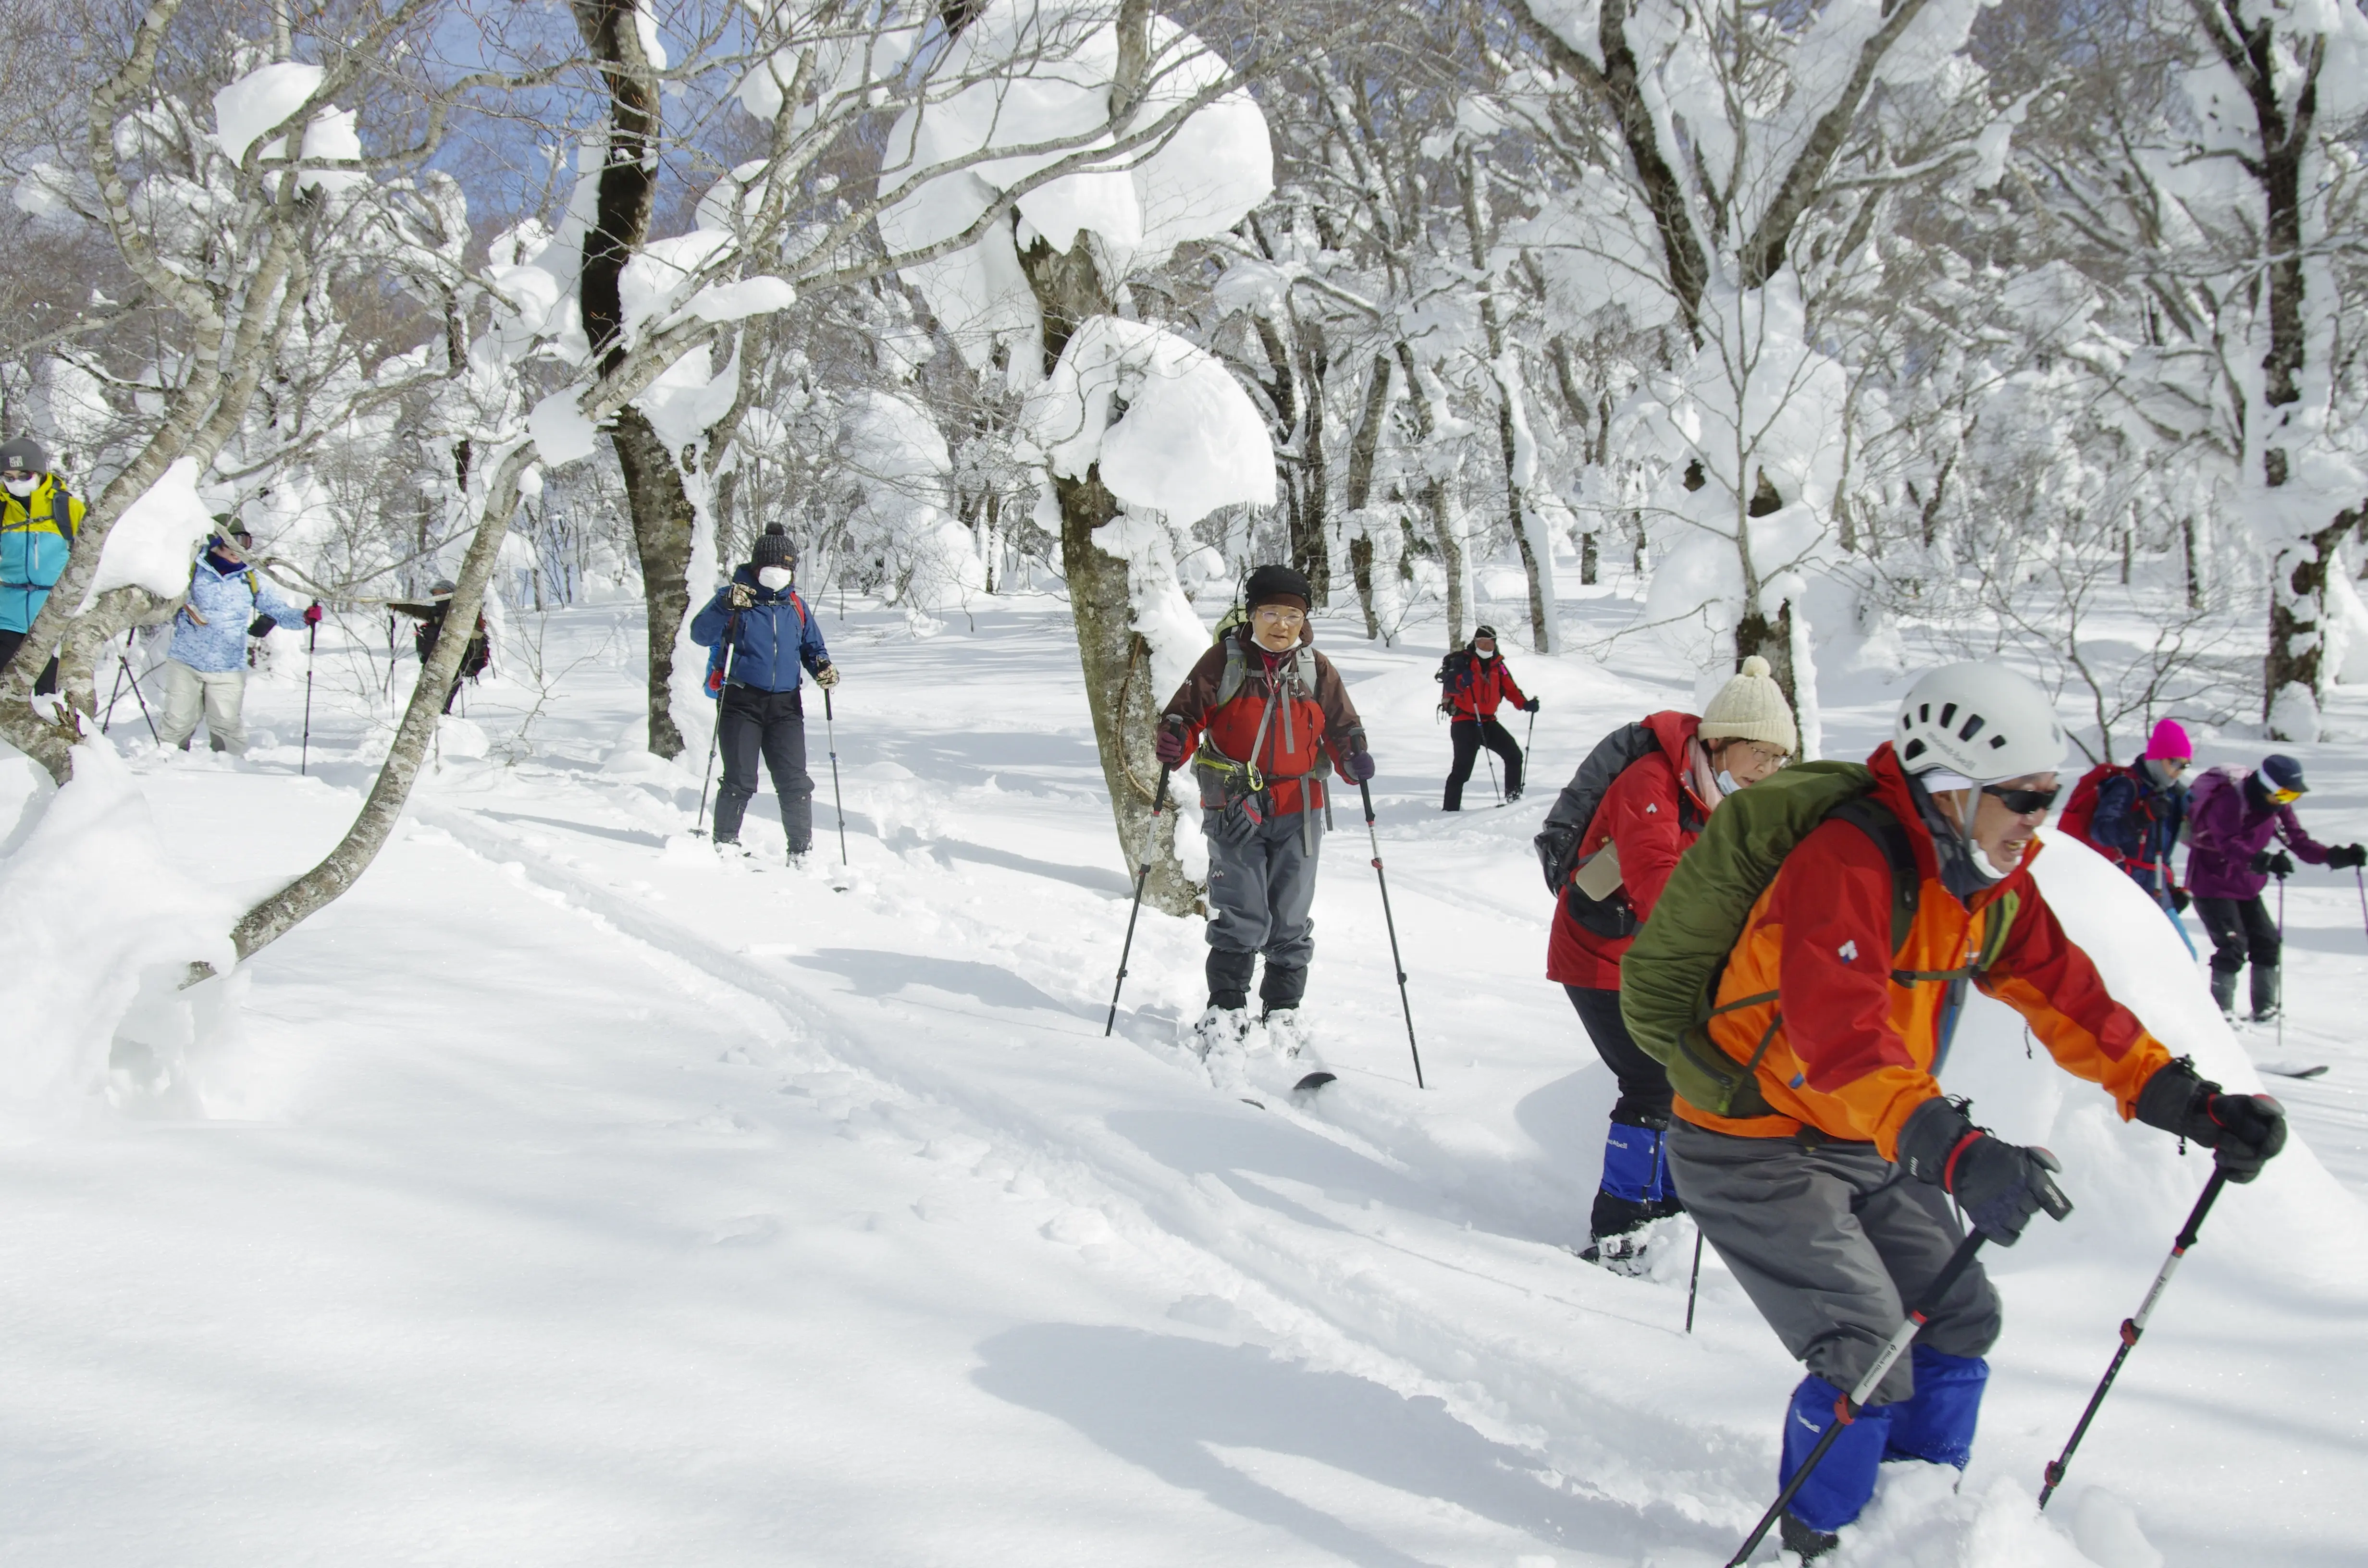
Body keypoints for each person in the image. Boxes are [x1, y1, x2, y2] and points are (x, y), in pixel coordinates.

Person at [1631, 662, 2287, 1560]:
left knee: (1961, 1312)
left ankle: (1915, 1519)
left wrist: (2183, 1098)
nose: (2036, 821)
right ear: (1948, 784)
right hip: (1747, 1137)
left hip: (1858, 1132)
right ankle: (1816, 1537)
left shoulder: (1986, 881)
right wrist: (1956, 1149)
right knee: (1866, 1345)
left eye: (2046, 799)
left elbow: (2069, 996)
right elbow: (1841, 1040)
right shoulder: (1846, 859)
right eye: (2020, 797)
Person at [1541, 653, 1795, 1272]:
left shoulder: (1728, 794)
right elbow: (1658, 879)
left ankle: (1670, 1212)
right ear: (1723, 741)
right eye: (1760, 753)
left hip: (1658, 961)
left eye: (1779, 758)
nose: (1769, 768)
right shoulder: (1651, 782)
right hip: (1598, 957)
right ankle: (1621, 1228)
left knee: (1686, 1083)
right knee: (1654, 1082)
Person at [1157, 564, 1373, 1048]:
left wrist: (1353, 757)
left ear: (1303, 619)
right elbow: (1185, 713)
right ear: (1251, 614)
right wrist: (1174, 739)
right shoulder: (1224, 661)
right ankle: (1226, 1009)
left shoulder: (1315, 669)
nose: (1280, 625)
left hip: (1300, 810)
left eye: (1291, 615)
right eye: (1270, 612)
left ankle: (1282, 1010)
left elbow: (1342, 727)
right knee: (1242, 910)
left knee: (1290, 915)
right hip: (1235, 807)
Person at [689, 524, 836, 862]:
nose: (778, 573)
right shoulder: (735, 599)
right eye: (772, 566)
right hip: (741, 701)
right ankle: (725, 843)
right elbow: (700, 634)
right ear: (756, 566)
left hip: (786, 706)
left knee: (795, 782)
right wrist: (725, 604)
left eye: (785, 567)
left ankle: (801, 851)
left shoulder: (796, 607)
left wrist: (823, 667)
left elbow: (812, 648)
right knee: (740, 779)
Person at [2184, 753, 2366, 1022]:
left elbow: (2299, 841)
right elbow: (2228, 843)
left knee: (2267, 942)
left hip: (2247, 885)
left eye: (2292, 797)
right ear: (2266, 787)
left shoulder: (2276, 805)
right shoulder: (2229, 800)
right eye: (2283, 795)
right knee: (2233, 947)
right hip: (2211, 883)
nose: (2286, 802)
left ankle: (2266, 1010)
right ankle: (2219, 1016)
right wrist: (2262, 860)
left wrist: (2335, 856)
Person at [156, 525, 316, 755]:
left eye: (244, 545)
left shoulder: (250, 577)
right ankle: (168, 763)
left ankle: (229, 770)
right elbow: (165, 595)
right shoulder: (192, 570)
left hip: (228, 666)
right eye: (231, 544)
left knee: (227, 724)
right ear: (216, 544)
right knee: (178, 720)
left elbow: (277, 610)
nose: (237, 551)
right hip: (186, 660)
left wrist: (304, 618)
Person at [2059, 718, 2195, 951]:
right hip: (2122, 889)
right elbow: (2102, 832)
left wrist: (2171, 887)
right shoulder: (2126, 786)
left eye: (2185, 765)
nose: (2178, 772)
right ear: (2157, 758)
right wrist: (2142, 817)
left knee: (2184, 957)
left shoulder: (2173, 797)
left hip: (2157, 893)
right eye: (2175, 763)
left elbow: (2161, 851)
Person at [0, 435, 85, 696]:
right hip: (7, 617)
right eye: (8, 477)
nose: (16, 483)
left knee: (45, 695)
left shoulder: (68, 508)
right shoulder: (2, 508)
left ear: (39, 473)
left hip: (52, 617)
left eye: (23, 476)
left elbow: (94, 557)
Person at [1438, 625, 1538, 808]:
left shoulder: (1499, 666)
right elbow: (1451, 686)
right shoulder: (1461, 662)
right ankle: (1450, 811)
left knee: (1514, 755)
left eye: (1489, 644)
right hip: (1465, 722)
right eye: (1482, 643)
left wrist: (1524, 704)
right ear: (1475, 643)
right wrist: (1462, 681)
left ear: (1495, 644)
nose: (1485, 648)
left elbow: (1510, 689)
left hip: (1489, 722)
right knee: (1462, 771)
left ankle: (1514, 802)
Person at [392, 579, 493, 715]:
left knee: (446, 694)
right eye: (436, 594)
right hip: (435, 660)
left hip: (458, 662)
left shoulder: (464, 611)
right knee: (428, 691)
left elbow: (476, 634)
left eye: (443, 593)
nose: (439, 597)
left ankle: (442, 720)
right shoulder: (437, 612)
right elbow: (416, 609)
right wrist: (394, 605)